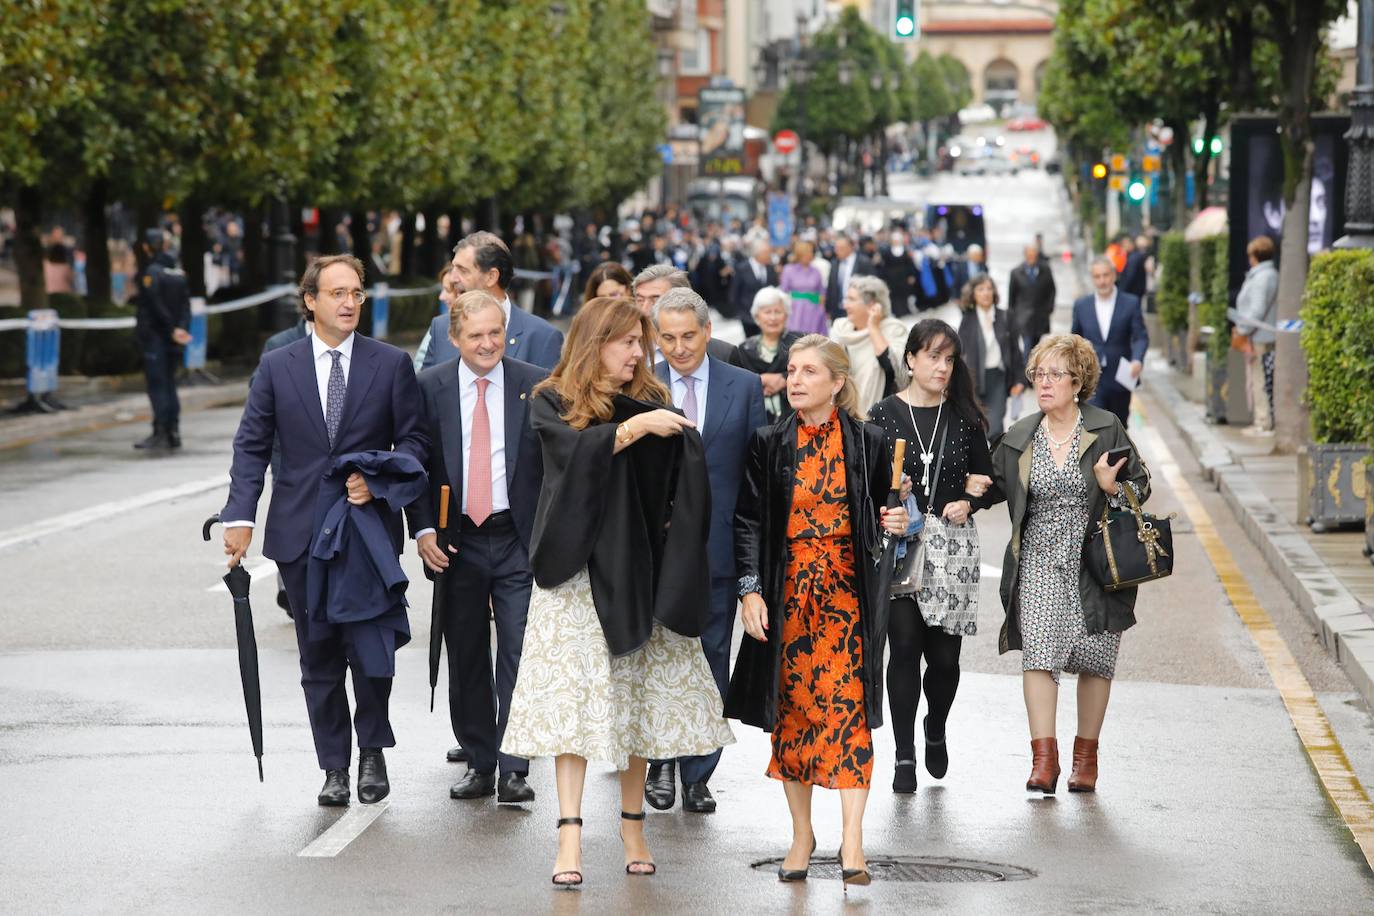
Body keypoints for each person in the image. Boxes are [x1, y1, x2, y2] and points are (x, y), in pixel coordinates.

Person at [500, 297, 734, 887]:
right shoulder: (552, 399)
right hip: (574, 572)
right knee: (573, 709)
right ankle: (570, 840)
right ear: (594, 340)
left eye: (640, 342)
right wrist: (632, 430)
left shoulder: (654, 399)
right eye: (626, 341)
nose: (638, 353)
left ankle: (634, 828)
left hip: (639, 570)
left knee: (638, 703)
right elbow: (569, 459)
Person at [220, 254, 430, 807]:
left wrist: (377, 482)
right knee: (318, 656)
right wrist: (239, 517)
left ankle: (372, 752)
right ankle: (334, 765)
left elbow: (414, 445)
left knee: (370, 650)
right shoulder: (277, 365)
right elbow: (252, 446)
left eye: (356, 293)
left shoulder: (390, 365)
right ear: (310, 300)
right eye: (336, 293)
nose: (348, 302)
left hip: (366, 534)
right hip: (300, 534)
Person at [728, 335, 910, 885]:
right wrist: (750, 590)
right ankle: (802, 835)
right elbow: (748, 522)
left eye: (810, 371)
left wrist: (899, 522)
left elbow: (891, 511)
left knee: (850, 715)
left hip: (849, 600)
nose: (797, 380)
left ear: (837, 381)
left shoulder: (871, 441)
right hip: (789, 599)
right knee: (796, 718)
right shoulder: (768, 441)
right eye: (791, 370)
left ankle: (852, 841)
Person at [986, 334, 1151, 794]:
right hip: (1038, 554)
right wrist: (966, 491)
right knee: (1038, 651)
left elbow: (1141, 485)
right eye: (1038, 374)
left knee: (1095, 657)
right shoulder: (1021, 434)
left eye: (1055, 374)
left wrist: (1112, 486)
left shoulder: (1106, 427)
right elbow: (992, 483)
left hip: (1095, 557)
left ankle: (1086, 759)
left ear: (1077, 382)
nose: (1044, 382)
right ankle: (1044, 759)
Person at [406, 290, 547, 805]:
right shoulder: (429, 387)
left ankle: (515, 766)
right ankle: (480, 761)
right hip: (456, 541)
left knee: (518, 649)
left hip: (516, 537)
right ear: (454, 338)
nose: (487, 344)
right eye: (476, 335)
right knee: (465, 651)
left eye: (495, 333)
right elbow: (415, 465)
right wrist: (423, 532)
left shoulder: (533, 383)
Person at [643, 288, 766, 814]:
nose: (678, 347)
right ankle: (659, 761)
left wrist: (751, 565)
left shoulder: (743, 386)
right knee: (655, 655)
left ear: (708, 331)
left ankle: (698, 771)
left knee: (712, 657)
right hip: (655, 548)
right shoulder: (643, 385)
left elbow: (755, 476)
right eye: (666, 338)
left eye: (688, 336)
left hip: (718, 548)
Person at [869, 321, 997, 794]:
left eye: (949, 359)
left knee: (944, 659)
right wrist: (889, 498)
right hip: (903, 546)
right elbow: (864, 485)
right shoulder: (881, 415)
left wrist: (972, 499)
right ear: (909, 360)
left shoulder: (964, 418)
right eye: (932, 357)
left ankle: (935, 727)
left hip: (954, 548)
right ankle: (903, 755)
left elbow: (990, 478)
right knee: (903, 647)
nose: (942, 367)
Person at [417, 232, 564, 372]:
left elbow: (548, 396)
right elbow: (426, 392)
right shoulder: (441, 328)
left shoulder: (542, 337)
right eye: (454, 268)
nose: (453, 278)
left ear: (491, 277)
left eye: (462, 270)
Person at [133, 229, 192, 451]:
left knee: (158, 386)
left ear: (149, 247)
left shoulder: (153, 272)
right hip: (173, 338)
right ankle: (173, 431)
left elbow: (156, 305)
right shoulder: (178, 272)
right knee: (170, 384)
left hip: (157, 337)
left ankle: (161, 432)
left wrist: (170, 329)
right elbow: (186, 305)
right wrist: (181, 329)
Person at [1071, 257, 1148, 425]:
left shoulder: (1130, 303)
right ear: (1092, 279)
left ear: (1114, 276)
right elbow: (1074, 340)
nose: (1102, 281)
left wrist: (1137, 359)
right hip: (1092, 378)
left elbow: (1140, 336)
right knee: (1094, 426)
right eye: (1097, 277)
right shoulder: (1081, 305)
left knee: (1118, 427)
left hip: (1121, 377)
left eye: (1105, 275)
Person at [632, 264, 746, 368]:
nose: (644, 309)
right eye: (640, 300)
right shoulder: (627, 351)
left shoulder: (723, 354)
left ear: (683, 299)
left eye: (655, 300)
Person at [830, 275, 910, 415]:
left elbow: (893, 369)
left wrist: (873, 327)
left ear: (872, 305)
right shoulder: (841, 330)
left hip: (883, 416)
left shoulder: (894, 330)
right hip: (845, 414)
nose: (845, 305)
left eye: (852, 299)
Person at [957, 275, 1025, 439]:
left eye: (989, 288)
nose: (986, 293)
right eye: (981, 289)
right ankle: (980, 463)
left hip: (998, 379)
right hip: (973, 380)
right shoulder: (968, 319)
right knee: (975, 426)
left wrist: (1020, 380)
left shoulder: (1005, 316)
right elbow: (960, 353)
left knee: (994, 427)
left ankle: (996, 462)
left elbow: (1015, 350)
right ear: (973, 294)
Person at [1234, 235, 1279, 436]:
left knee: (1259, 379)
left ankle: (1263, 421)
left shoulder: (1261, 277)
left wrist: (1243, 330)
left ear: (1255, 255)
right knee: (1264, 377)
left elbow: (1257, 309)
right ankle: (1264, 419)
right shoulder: (1271, 274)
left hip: (1257, 336)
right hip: (1265, 334)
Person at [738, 286, 803, 424]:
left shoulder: (800, 343)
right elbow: (738, 386)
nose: (773, 318)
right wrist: (759, 380)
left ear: (786, 315)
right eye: (767, 312)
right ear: (757, 316)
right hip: (757, 419)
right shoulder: (745, 349)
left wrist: (783, 378)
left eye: (778, 312)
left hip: (796, 416)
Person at [1007, 244, 1057, 358]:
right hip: (1023, 317)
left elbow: (1052, 290)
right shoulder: (1016, 273)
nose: (1032, 257)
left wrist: (1049, 308)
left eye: (1034, 255)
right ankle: (1026, 371)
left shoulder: (1045, 270)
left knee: (1036, 346)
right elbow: (1011, 297)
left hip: (1040, 316)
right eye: (1029, 255)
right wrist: (1012, 316)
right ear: (1025, 255)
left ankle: (1033, 368)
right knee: (1027, 344)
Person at [778, 240, 828, 336]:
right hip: (795, 311)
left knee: (813, 339)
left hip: (814, 311)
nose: (809, 256)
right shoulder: (788, 270)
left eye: (810, 253)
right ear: (799, 255)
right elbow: (783, 292)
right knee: (795, 339)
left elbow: (822, 292)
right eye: (806, 253)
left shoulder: (816, 271)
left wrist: (823, 312)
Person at [729, 240, 777, 339]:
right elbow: (734, 292)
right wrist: (740, 313)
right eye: (767, 253)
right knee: (751, 345)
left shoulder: (770, 268)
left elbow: (774, 289)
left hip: (768, 316)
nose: (770, 255)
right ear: (758, 254)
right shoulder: (742, 268)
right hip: (748, 316)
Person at [825, 233, 876, 319]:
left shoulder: (863, 262)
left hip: (857, 309)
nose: (836, 251)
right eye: (836, 248)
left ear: (850, 248)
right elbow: (831, 287)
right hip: (838, 310)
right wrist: (828, 309)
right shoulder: (834, 263)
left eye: (841, 248)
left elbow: (871, 286)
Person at [877, 229, 918, 317]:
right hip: (892, 278)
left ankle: (905, 310)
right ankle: (896, 311)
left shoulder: (905, 251)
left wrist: (911, 275)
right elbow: (884, 265)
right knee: (894, 296)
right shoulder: (887, 252)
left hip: (903, 277)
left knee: (904, 294)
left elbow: (910, 264)